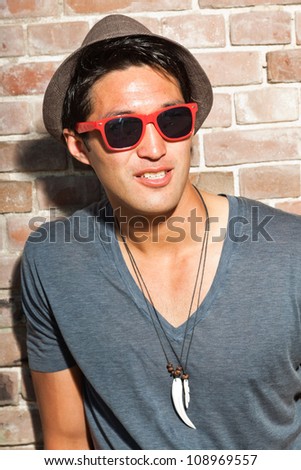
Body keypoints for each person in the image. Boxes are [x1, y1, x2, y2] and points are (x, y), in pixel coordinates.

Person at [21, 14, 301, 450]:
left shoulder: (290, 254)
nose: (154, 149)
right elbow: (66, 440)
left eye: (171, 120)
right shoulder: (52, 261)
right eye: (122, 128)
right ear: (79, 146)